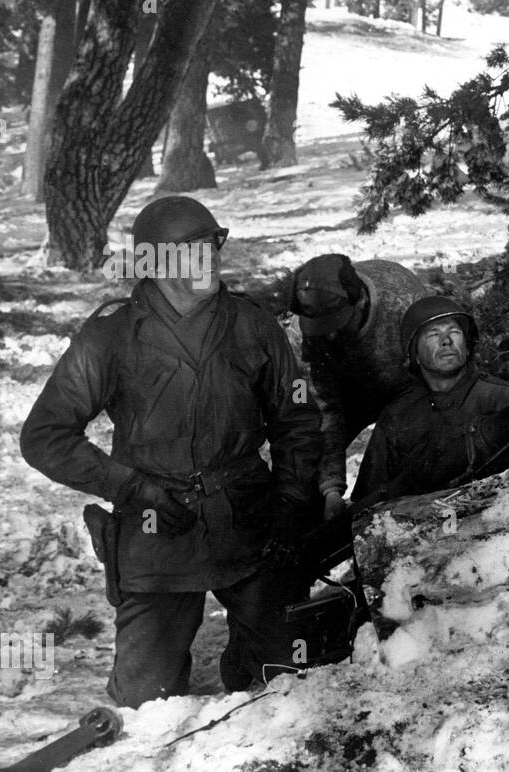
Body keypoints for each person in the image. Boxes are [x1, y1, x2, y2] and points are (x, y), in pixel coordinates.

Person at [20, 196, 322, 708]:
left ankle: (244, 656)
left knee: (294, 682)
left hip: (248, 521)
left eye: (211, 247)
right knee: (144, 703)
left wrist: (291, 504)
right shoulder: (111, 335)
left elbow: (297, 419)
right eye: (190, 252)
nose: (208, 260)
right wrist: (131, 487)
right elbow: (44, 435)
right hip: (157, 528)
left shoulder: (252, 324)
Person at [288, 254, 430, 521]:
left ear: (361, 301)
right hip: (349, 392)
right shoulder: (303, 334)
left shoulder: (404, 303)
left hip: (408, 388)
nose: (329, 335)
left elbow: (437, 380)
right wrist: (330, 488)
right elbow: (323, 410)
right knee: (306, 480)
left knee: (392, 480)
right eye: (321, 328)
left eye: (337, 324)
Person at [349, 295, 509, 503]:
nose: (446, 341)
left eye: (455, 332)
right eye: (434, 334)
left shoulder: (504, 399)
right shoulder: (398, 415)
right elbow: (368, 499)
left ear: (467, 346)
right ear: (414, 353)